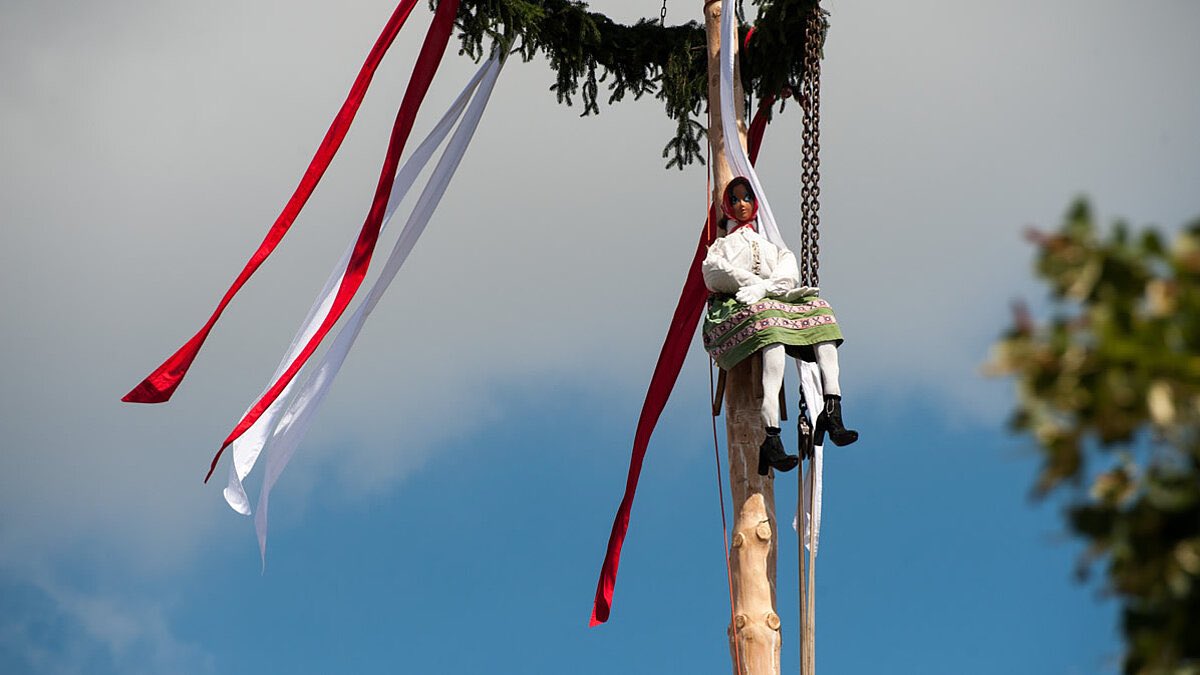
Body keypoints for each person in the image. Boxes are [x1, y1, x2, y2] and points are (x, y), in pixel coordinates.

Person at [701, 177, 858, 476]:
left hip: (771, 301)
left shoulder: (771, 245)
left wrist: (766, 288)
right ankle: (770, 434)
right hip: (735, 308)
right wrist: (754, 285)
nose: (741, 204)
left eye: (746, 197)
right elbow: (714, 273)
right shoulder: (722, 246)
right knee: (771, 331)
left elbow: (788, 273)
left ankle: (832, 407)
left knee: (821, 312)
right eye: (734, 200)